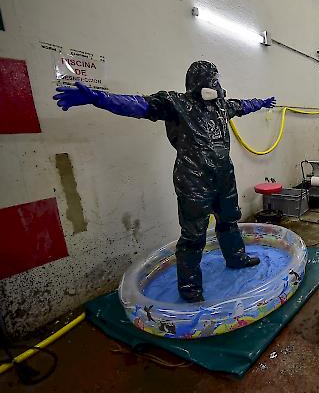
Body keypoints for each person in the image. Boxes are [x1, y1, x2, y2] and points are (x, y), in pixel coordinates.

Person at [53, 61, 275, 303]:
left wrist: (261, 103)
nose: (217, 84)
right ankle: (189, 285)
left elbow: (243, 106)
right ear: (200, 81)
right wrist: (100, 99)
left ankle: (236, 257)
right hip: (193, 180)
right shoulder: (175, 103)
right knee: (193, 234)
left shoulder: (221, 106)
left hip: (223, 177)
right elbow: (138, 105)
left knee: (229, 220)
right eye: (213, 79)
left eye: (217, 79)